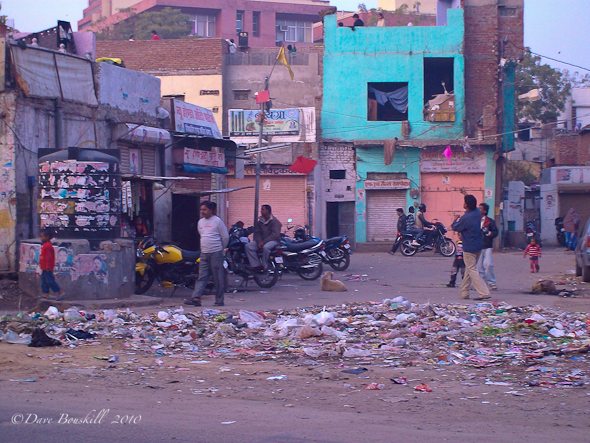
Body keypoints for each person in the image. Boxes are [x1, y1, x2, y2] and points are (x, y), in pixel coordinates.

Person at [185, 201, 229, 307]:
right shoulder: (200, 222)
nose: (202, 212)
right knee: (202, 276)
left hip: (216, 253)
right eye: (201, 209)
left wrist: (221, 249)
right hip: (204, 252)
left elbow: (225, 237)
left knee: (217, 277)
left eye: (204, 209)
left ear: (211, 210)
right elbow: (202, 235)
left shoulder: (218, 221)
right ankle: (196, 298)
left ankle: (219, 300)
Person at [451, 195, 491, 300]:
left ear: (467, 205)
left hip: (469, 246)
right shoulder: (477, 213)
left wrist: (455, 220)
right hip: (478, 245)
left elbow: (455, 227)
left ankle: (483, 292)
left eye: (464, 202)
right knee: (469, 269)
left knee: (472, 269)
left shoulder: (465, 218)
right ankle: (464, 293)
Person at [246, 204, 282, 271]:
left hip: (273, 241)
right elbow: (257, 233)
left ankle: (265, 265)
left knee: (266, 247)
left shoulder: (274, 221)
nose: (261, 211)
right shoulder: (260, 222)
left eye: (263, 209)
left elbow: (275, 234)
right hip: (261, 241)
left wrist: (264, 242)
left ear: (268, 211)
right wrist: (259, 241)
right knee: (248, 246)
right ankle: (256, 265)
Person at [477, 203, 499, 290]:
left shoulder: (490, 221)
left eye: (480, 209)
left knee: (488, 264)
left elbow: (495, 232)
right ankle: (481, 283)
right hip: (477, 246)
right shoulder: (475, 220)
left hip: (487, 246)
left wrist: (489, 233)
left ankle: (491, 282)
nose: (478, 210)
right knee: (479, 267)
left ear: (484, 211)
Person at [39, 229, 64, 300]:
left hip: (47, 267)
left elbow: (48, 258)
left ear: (47, 237)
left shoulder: (48, 246)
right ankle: (45, 293)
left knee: (50, 281)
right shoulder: (46, 245)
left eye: (42, 236)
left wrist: (47, 266)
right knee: (44, 281)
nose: (41, 238)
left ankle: (59, 291)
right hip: (44, 267)